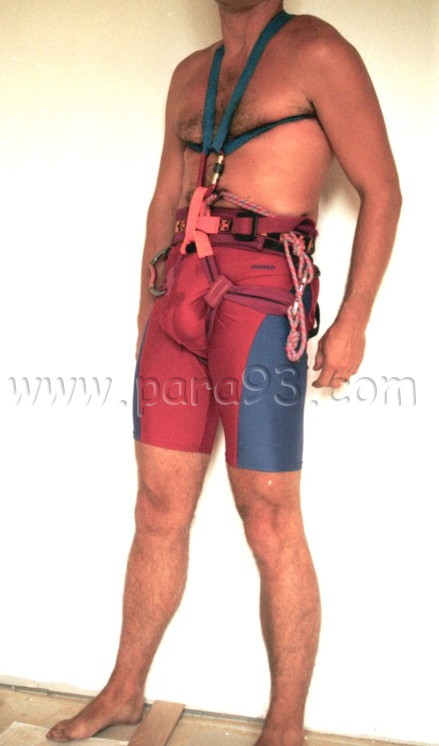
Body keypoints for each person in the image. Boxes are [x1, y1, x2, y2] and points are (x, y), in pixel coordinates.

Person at [46, 1, 401, 744]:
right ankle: (124, 691)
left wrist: (354, 318)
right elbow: (165, 198)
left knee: (267, 514)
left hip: (262, 296)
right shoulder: (190, 75)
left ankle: (285, 726)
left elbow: (382, 191)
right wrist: (147, 307)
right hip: (178, 292)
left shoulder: (316, 50)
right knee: (156, 505)